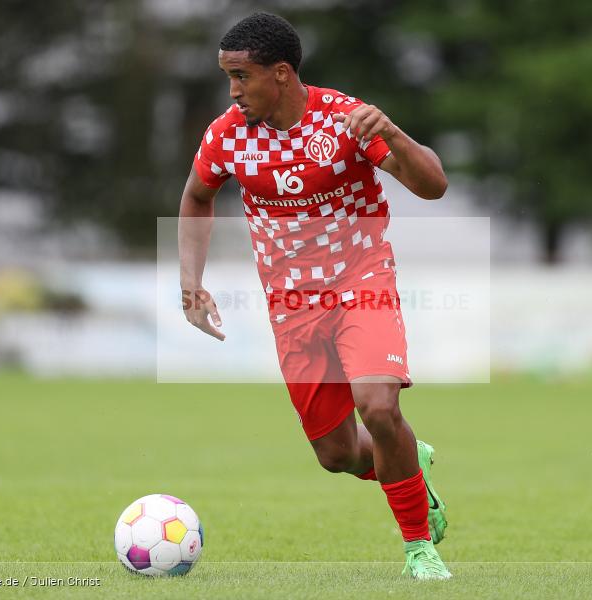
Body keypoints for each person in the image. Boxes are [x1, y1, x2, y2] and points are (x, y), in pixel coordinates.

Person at [178, 13, 452, 580]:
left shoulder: (343, 121)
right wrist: (191, 280)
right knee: (338, 455)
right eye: (227, 76)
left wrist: (395, 133)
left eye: (241, 75)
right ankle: (408, 458)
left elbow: (432, 186)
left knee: (378, 407)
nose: (233, 89)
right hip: (291, 307)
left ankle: (419, 547)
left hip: (361, 282)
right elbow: (198, 197)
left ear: (280, 74)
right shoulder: (227, 134)